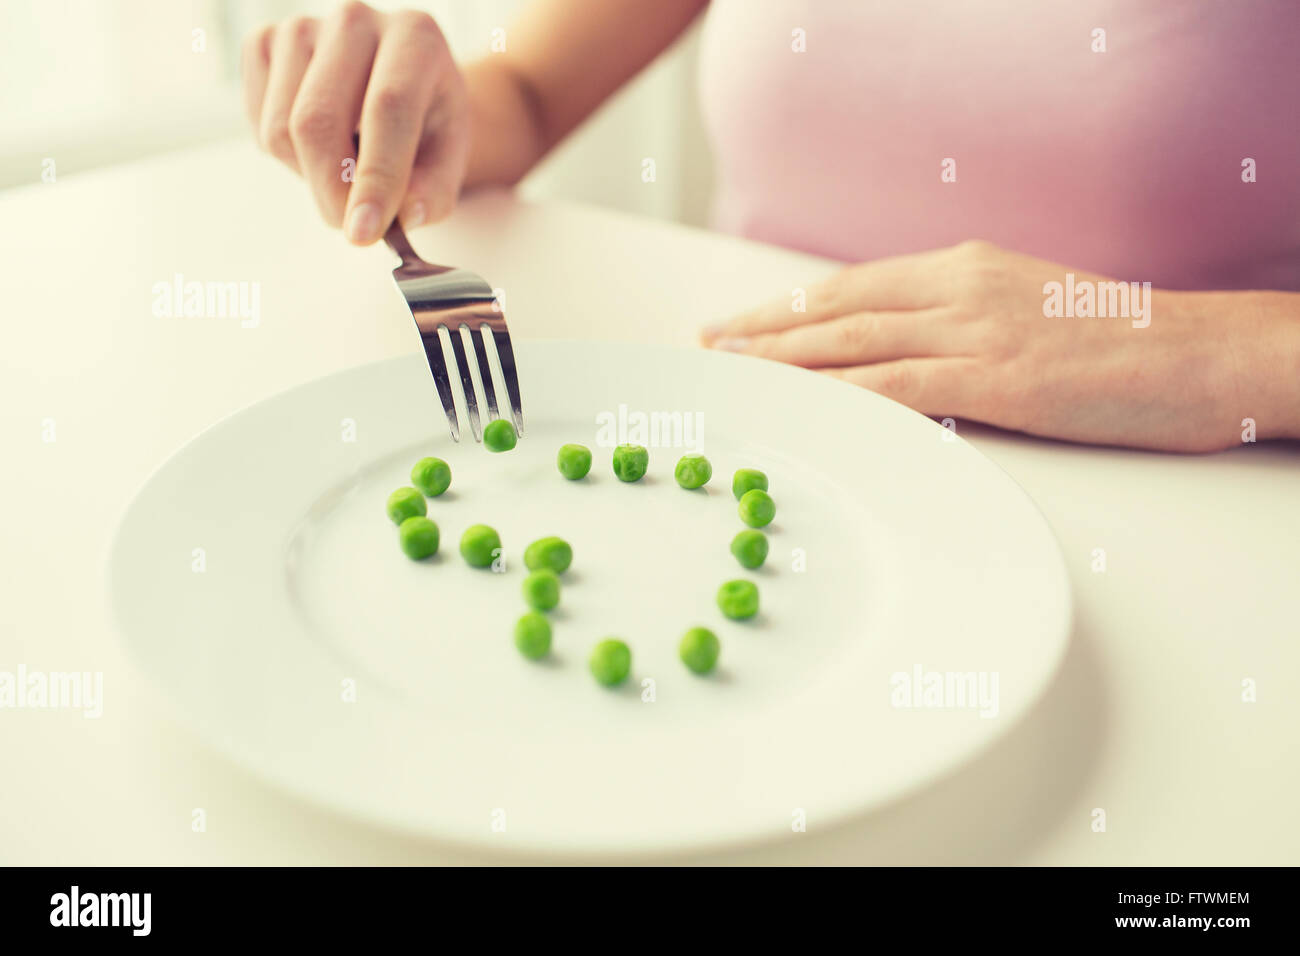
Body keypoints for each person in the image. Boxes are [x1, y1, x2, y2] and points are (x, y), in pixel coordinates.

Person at [241, 0, 1300, 452]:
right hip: (758, 453)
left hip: (1191, 511)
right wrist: (408, 103)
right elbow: (523, 93)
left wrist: (1212, 355)